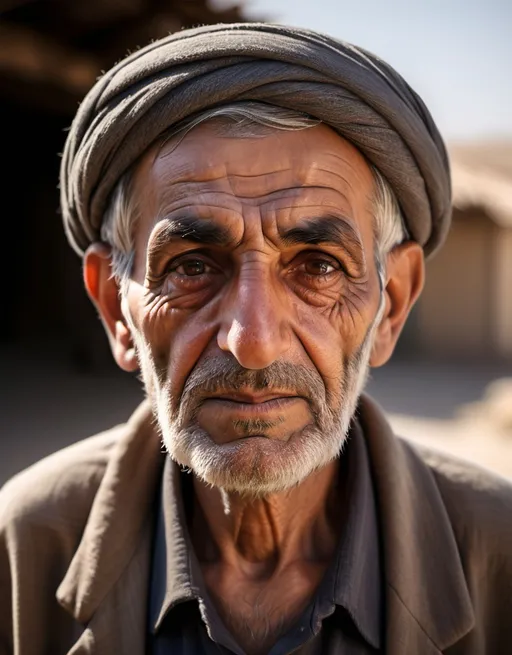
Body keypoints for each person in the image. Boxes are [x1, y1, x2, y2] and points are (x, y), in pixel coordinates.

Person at [1, 22, 511, 655]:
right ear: (115, 307)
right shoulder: (20, 548)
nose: (254, 342)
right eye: (192, 266)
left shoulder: (498, 552)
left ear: (391, 307)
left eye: (318, 267)